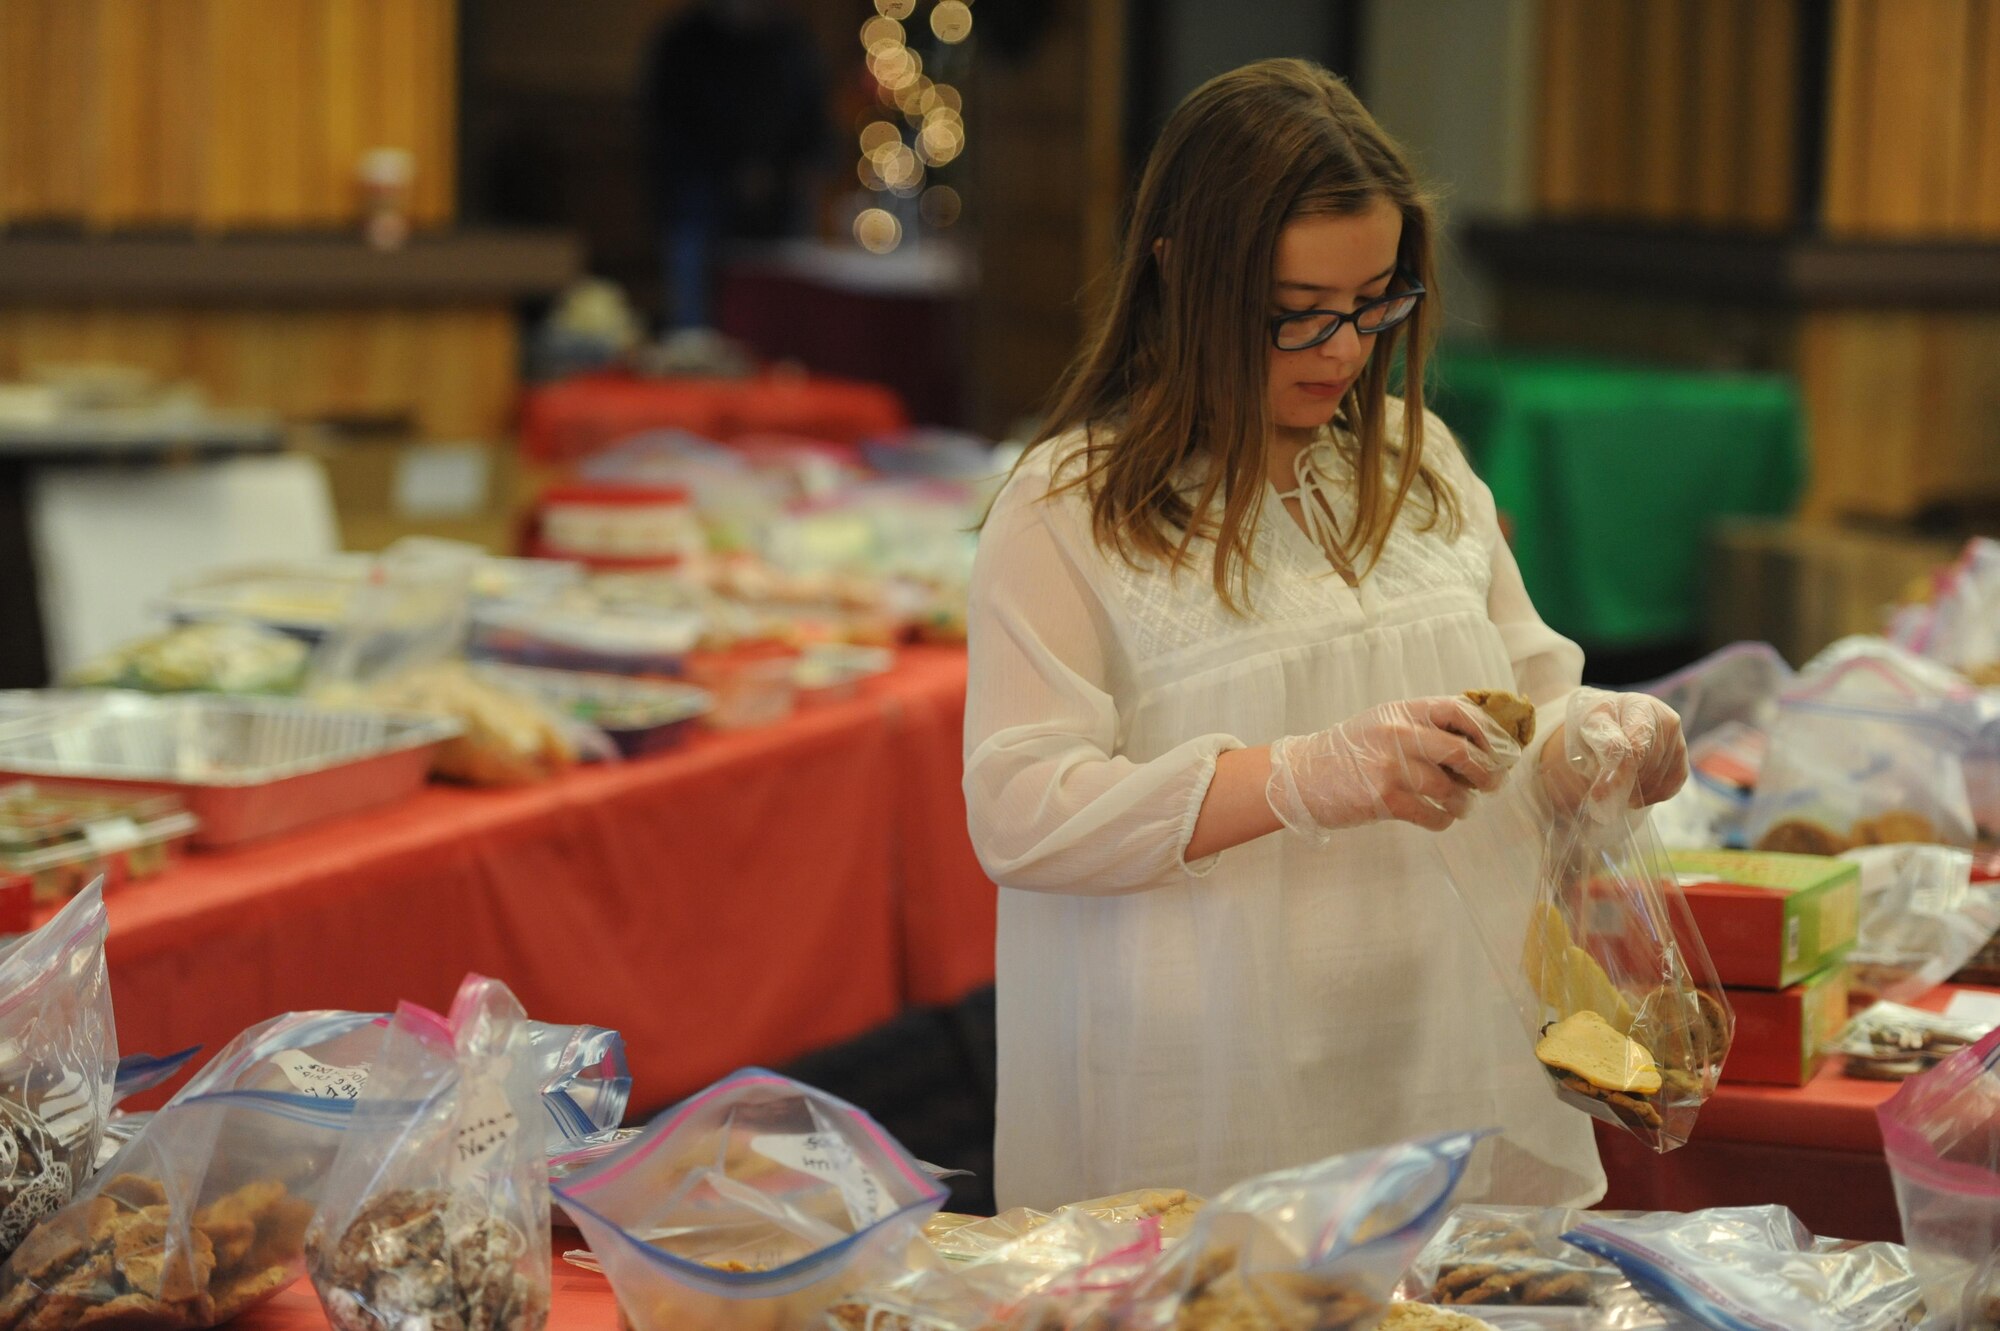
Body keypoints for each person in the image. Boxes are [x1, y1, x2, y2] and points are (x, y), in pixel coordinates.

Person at [961, 59, 1689, 1212]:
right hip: (1206, 1086)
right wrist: (1301, 774)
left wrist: (1593, 737)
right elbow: (1016, 810)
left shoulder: (1418, 463)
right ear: (1177, 273)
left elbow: (1525, 712)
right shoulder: (1068, 510)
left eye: (1375, 300)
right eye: (1292, 312)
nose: (1341, 349)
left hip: (1436, 1050)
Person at [640, 0, 829, 329]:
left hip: (779, 210)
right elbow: (668, 132)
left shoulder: (790, 40)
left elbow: (814, 123)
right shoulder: (685, 41)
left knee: (778, 324)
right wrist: (731, 174)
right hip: (700, 207)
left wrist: (802, 169)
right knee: (696, 330)